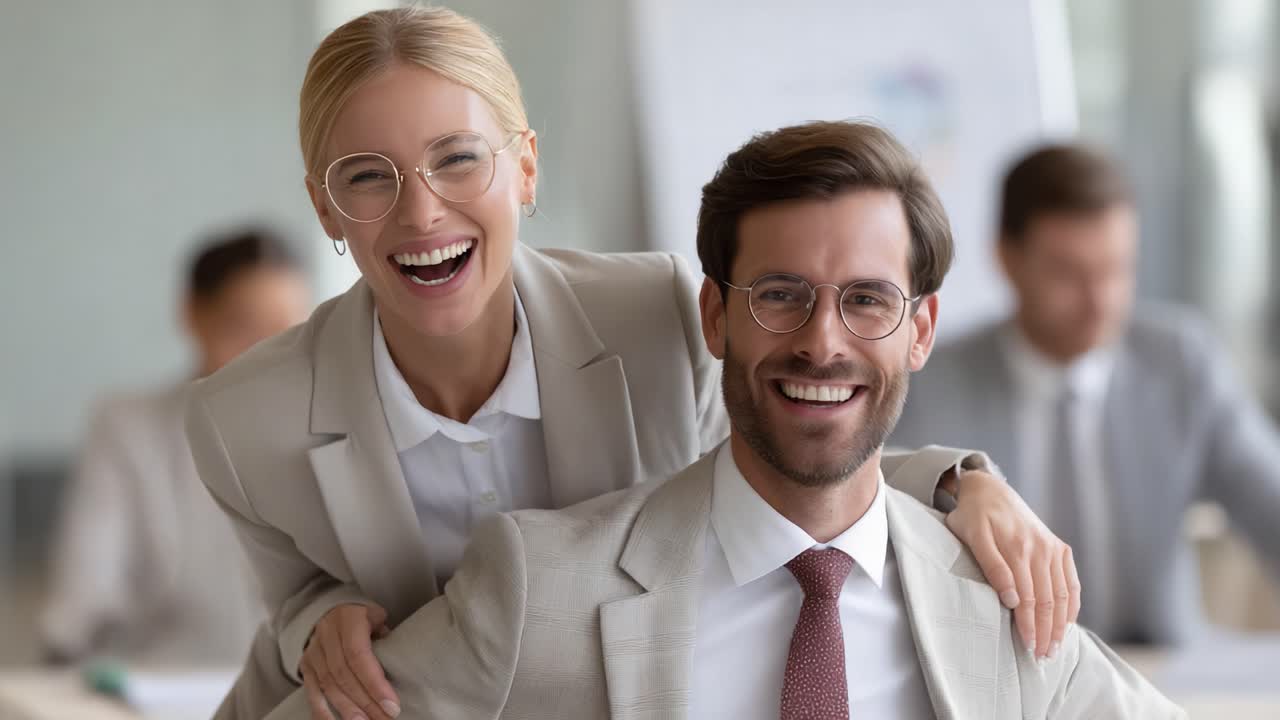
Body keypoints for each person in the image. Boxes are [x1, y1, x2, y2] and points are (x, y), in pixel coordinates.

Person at [187, 8, 1080, 720]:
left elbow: (785, 453)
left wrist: (955, 487)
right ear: (325, 208)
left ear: (526, 170)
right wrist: (313, 620)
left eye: (458, 160)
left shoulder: (648, 315)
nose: (422, 213)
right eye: (368, 177)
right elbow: (295, 597)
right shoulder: (243, 422)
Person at [891, 143, 1280, 644]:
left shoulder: (1181, 363)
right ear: (1007, 259)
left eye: (1117, 269)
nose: (1101, 301)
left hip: (1158, 674)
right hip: (1000, 679)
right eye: (1069, 274)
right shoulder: (930, 380)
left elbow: (1269, 498)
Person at [41, 228, 309, 665]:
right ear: (192, 314)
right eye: (243, 327)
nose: (266, 352)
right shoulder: (129, 428)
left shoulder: (330, 431)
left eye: (286, 331)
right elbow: (82, 603)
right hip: (156, 685)